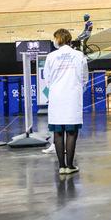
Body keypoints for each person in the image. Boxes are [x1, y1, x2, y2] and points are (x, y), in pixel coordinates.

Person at [43, 28, 88, 175]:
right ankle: (70, 166)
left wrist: (55, 87)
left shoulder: (51, 56)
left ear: (58, 39)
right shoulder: (79, 55)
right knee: (71, 132)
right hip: (72, 97)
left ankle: (61, 167)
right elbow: (84, 77)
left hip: (56, 97)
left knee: (58, 133)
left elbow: (47, 78)